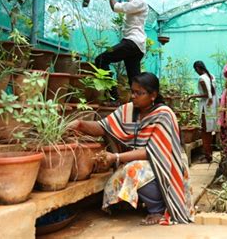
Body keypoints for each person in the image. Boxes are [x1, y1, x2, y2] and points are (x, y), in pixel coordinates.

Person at [68, 72, 193, 225]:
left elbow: (153, 152)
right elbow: (103, 127)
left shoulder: (164, 115)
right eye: (132, 91)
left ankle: (158, 209)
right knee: (120, 176)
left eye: (139, 93)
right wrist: (80, 124)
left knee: (132, 170)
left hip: (167, 165)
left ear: (153, 95)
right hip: (141, 162)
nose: (133, 96)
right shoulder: (127, 110)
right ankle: (141, 202)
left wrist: (116, 157)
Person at [95, 0, 149, 105]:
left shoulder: (140, 2)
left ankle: (114, 98)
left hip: (132, 42)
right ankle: (143, 105)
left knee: (101, 60)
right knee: (134, 80)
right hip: (138, 46)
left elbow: (116, 7)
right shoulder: (135, 0)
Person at [189, 61, 217, 163]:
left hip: (206, 108)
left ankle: (208, 156)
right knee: (209, 132)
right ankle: (208, 155)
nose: (196, 72)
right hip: (212, 107)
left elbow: (206, 95)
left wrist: (193, 96)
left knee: (205, 133)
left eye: (195, 69)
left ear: (197, 68)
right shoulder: (211, 76)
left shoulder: (201, 79)